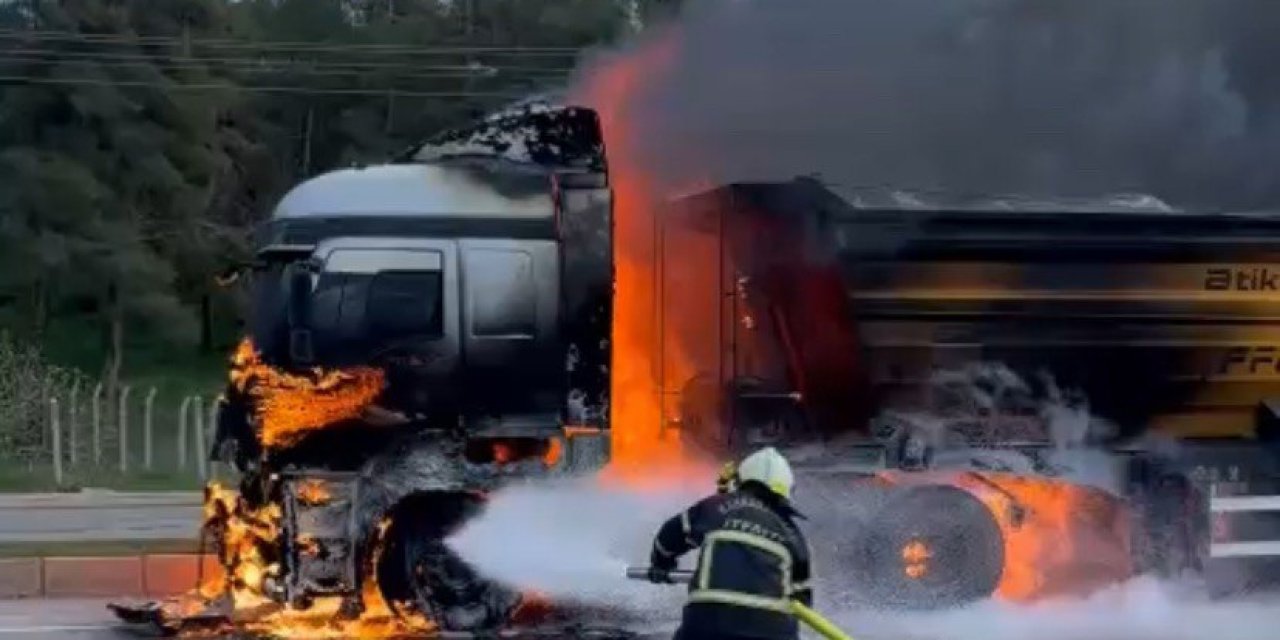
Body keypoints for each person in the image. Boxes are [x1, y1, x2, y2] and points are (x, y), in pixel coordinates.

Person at [647, 447, 813, 640]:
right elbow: (802, 600)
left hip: (707, 627)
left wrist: (661, 565)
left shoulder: (714, 506)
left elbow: (667, 539)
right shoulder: (792, 532)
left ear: (741, 480)